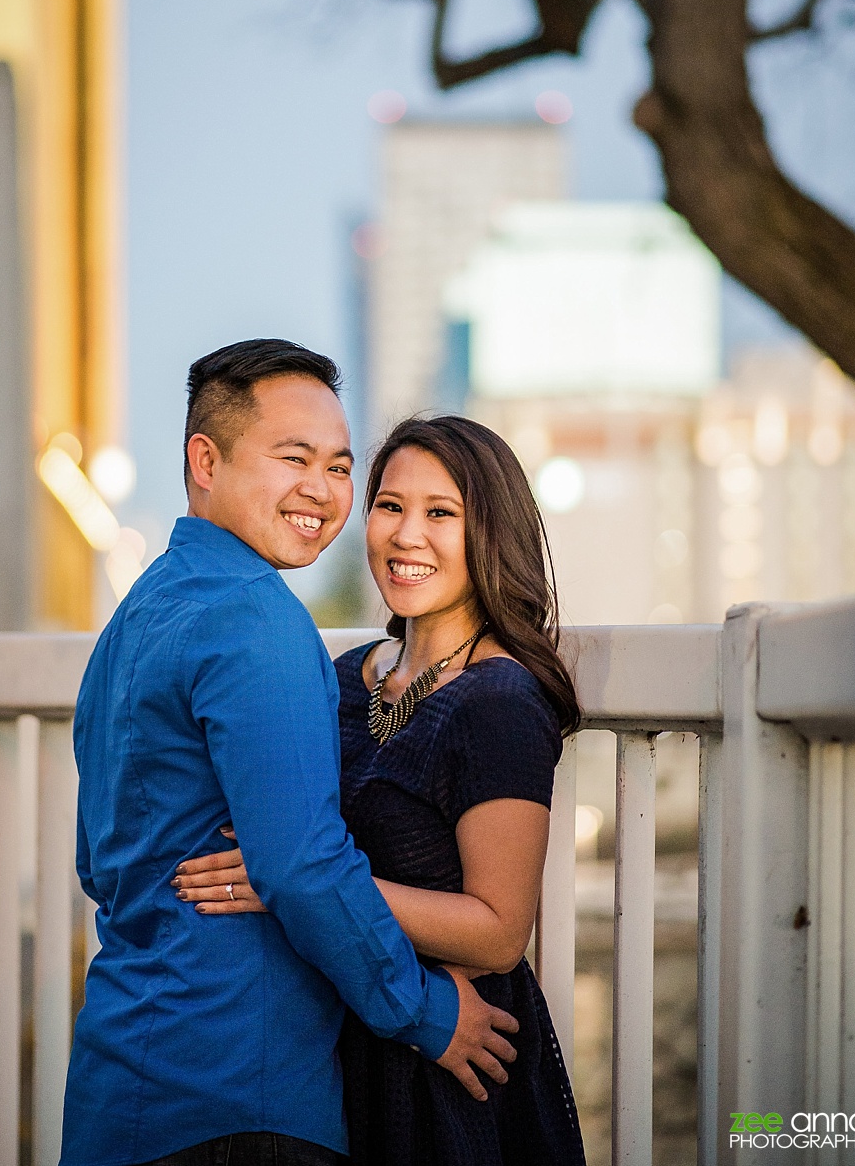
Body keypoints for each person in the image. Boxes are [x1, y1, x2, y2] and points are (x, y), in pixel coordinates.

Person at [61, 343, 519, 1166]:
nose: (323, 489)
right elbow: (302, 865)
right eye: (294, 457)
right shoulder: (256, 620)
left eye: (340, 466)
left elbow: (99, 861)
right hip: (238, 1095)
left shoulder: (134, 621)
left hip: (117, 1080)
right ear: (207, 459)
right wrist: (427, 1011)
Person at [175, 414, 586, 1166]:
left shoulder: (498, 699)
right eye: (391, 506)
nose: (406, 535)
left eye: (441, 513)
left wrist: (300, 884)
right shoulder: (341, 676)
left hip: (449, 1061)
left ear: (490, 532)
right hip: (338, 1038)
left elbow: (499, 929)